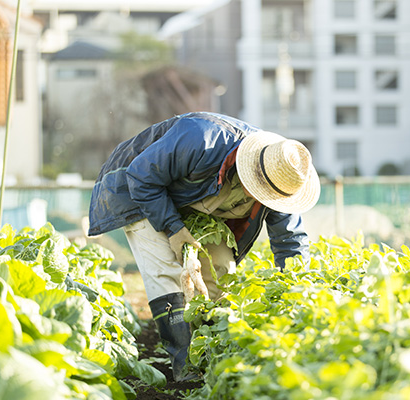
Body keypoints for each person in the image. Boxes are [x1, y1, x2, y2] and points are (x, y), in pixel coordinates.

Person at [87, 112, 320, 381]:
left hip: (195, 198)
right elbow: (141, 177)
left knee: (222, 269)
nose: (262, 198)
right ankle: (185, 367)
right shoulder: (200, 139)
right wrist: (174, 229)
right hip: (138, 189)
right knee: (167, 274)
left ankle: (209, 350)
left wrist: (299, 293)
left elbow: (291, 242)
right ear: (250, 170)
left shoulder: (283, 178)